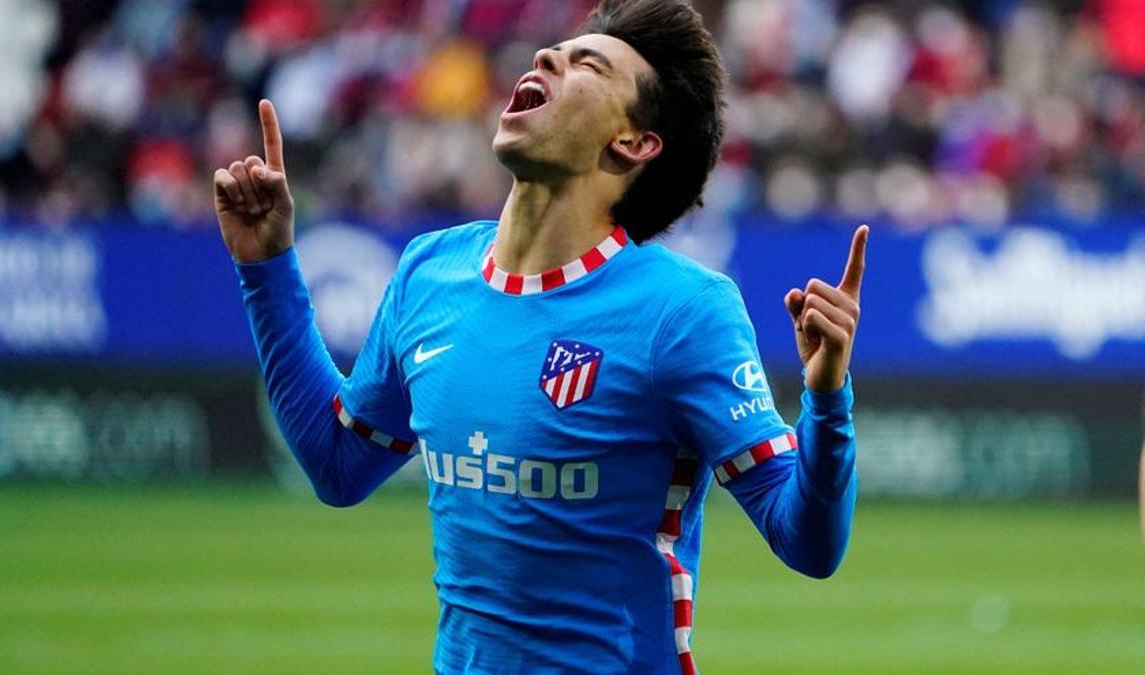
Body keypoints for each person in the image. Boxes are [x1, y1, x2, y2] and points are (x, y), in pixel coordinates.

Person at [213, 1, 863, 672]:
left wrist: (826, 398)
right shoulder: (429, 273)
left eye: (589, 65)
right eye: (556, 50)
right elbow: (337, 463)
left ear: (633, 142)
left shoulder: (682, 311)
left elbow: (808, 544)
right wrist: (266, 267)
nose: (548, 56)